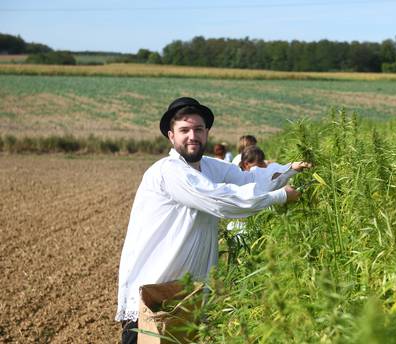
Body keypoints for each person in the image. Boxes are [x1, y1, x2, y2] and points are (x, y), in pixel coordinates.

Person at [115, 97, 311, 344]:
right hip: (154, 303)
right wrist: (281, 196)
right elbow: (221, 200)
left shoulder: (209, 167)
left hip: (186, 301)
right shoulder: (169, 171)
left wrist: (289, 169)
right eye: (184, 130)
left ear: (207, 133)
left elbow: (247, 180)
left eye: (198, 129)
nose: (192, 136)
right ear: (170, 136)